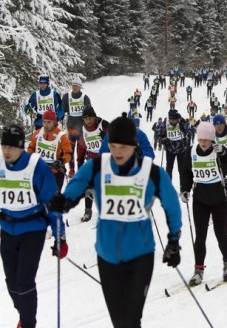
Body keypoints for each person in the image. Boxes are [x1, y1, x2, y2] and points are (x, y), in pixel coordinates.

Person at [49, 113, 182, 328]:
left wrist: (174, 240)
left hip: (140, 255)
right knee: (119, 321)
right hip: (107, 256)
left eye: (124, 147)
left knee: (130, 320)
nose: (118, 152)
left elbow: (172, 205)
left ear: (134, 145)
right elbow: (78, 183)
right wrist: (65, 201)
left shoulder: (151, 172)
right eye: (113, 146)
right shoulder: (98, 167)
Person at [1, 125, 67, 328]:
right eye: (4, 145)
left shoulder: (36, 167)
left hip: (33, 230)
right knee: (12, 284)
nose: (6, 151)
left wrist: (60, 237)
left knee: (25, 282)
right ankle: (24, 312)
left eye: (11, 147)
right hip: (6, 230)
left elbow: (53, 202)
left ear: (22, 147)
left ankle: (28, 323)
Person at [180, 122, 227, 285]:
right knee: (200, 236)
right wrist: (185, 189)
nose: (203, 143)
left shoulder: (217, 151)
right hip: (200, 199)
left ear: (212, 140)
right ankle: (198, 270)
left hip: (219, 198)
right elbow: (186, 173)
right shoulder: (191, 152)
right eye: (200, 139)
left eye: (206, 140)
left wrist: (224, 153)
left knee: (221, 234)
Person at [76, 106, 109, 222]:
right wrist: (79, 163)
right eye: (85, 119)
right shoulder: (83, 130)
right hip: (91, 158)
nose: (88, 121)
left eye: (89, 118)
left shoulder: (103, 124)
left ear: (94, 117)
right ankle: (88, 210)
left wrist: (106, 138)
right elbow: (80, 147)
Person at [28, 110, 72, 190]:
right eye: (44, 122)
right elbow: (30, 148)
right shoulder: (37, 134)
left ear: (54, 122)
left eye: (49, 122)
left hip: (55, 172)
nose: (45, 125)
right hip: (40, 171)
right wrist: (32, 157)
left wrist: (61, 161)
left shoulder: (61, 136)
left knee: (53, 200)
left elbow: (68, 154)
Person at [61, 77, 92, 178]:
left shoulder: (85, 97)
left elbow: (89, 112)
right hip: (71, 128)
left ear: (80, 87)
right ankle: (72, 169)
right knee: (70, 150)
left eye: (77, 86)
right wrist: (59, 115)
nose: (75, 87)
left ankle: (81, 170)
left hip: (82, 129)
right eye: (73, 85)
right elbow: (62, 109)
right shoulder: (66, 96)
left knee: (81, 151)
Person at [163, 109, 190, 179]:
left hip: (181, 149)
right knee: (169, 168)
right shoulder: (165, 122)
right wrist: (163, 140)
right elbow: (162, 132)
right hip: (170, 149)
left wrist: (181, 120)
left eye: (175, 119)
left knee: (182, 169)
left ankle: (183, 186)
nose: (173, 121)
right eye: (171, 120)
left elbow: (187, 129)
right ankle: (168, 185)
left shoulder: (181, 122)